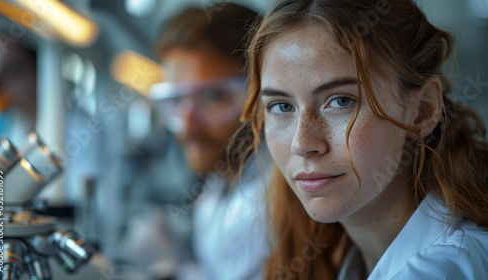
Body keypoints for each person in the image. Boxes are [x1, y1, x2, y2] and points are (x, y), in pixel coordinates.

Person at [234, 0, 488, 279]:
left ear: (423, 110)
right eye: (281, 106)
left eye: (341, 101)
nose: (301, 143)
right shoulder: (341, 255)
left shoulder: (442, 269)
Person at [151, 3, 270, 280]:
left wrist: (168, 270)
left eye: (214, 98)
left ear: (263, 96)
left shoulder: (276, 200)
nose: (188, 126)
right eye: (177, 101)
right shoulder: (218, 186)